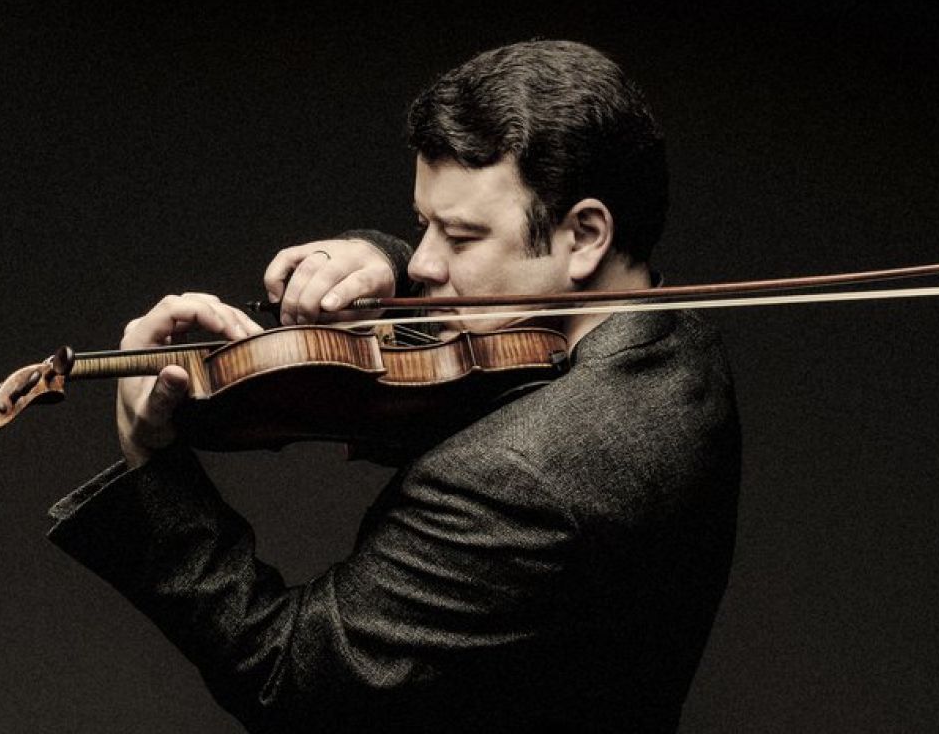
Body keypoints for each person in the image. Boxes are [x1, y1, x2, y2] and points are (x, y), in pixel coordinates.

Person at [46, 40, 742, 732]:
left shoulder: (516, 476)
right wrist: (381, 260)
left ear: (585, 235)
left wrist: (153, 464)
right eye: (420, 226)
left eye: (460, 237)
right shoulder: (678, 346)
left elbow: (290, 679)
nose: (427, 263)